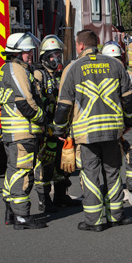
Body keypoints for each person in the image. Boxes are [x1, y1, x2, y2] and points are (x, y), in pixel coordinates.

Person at [53, 29, 132, 232]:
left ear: (81, 45)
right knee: (113, 172)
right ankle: (116, 215)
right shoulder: (115, 64)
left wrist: (59, 129)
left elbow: (64, 104)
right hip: (112, 131)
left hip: (86, 132)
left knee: (90, 175)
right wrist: (128, 121)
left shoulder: (72, 69)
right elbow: (129, 98)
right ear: (97, 44)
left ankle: (95, 221)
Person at [0, 32, 47, 230]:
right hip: (22, 132)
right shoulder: (16, 69)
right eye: (27, 51)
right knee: (22, 172)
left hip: (15, 132)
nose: (30, 55)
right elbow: (26, 102)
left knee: (13, 171)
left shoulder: (11, 68)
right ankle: (22, 217)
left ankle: (11, 211)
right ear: (17, 52)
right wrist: (42, 119)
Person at [32, 35, 82, 213]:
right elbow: (37, 101)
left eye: (58, 55)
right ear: (44, 57)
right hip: (47, 129)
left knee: (64, 163)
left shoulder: (62, 74)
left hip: (63, 127)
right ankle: (44, 201)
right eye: (52, 56)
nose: (56, 59)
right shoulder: (39, 75)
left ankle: (61, 196)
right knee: (45, 165)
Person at [102, 43, 132, 197]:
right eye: (112, 59)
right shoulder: (98, 77)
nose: (116, 63)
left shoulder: (129, 75)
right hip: (106, 123)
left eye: (118, 59)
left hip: (125, 123)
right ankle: (109, 188)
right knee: (110, 158)